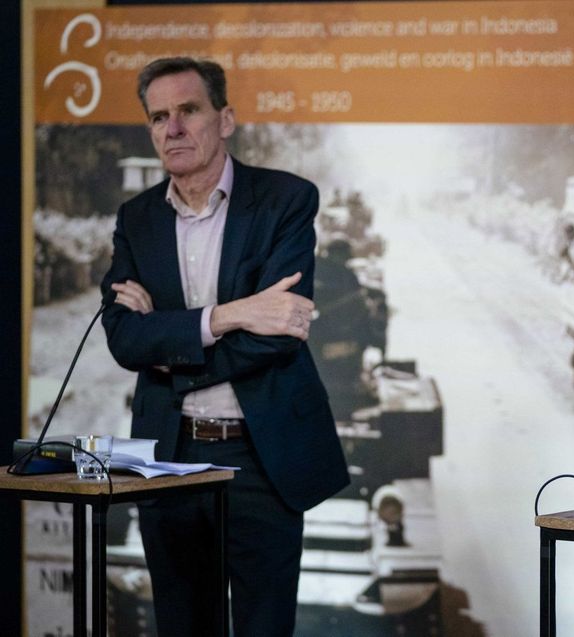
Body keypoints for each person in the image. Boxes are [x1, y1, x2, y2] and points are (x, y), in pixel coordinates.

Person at [101, 57, 349, 636]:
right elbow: (121, 337)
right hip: (168, 455)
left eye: (189, 110)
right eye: (159, 117)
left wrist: (169, 343)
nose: (174, 128)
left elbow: (276, 338)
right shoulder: (135, 220)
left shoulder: (286, 201)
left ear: (226, 119)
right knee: (184, 626)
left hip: (261, 458)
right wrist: (233, 315)